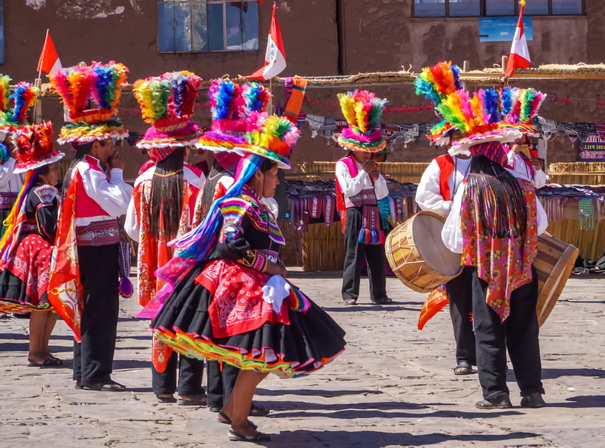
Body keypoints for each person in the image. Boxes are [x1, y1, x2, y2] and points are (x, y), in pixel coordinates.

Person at [151, 112, 346, 442]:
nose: (277, 181)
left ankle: (231, 410)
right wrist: (268, 268)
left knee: (265, 355)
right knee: (259, 356)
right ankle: (238, 421)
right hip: (239, 289)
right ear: (257, 175)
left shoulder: (257, 205)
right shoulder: (239, 202)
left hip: (260, 288)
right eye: (274, 174)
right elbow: (229, 244)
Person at [48, 62, 133, 391]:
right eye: (108, 142)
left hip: (91, 248)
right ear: (95, 145)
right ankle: (95, 374)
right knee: (100, 311)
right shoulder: (91, 170)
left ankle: (85, 372)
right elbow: (119, 204)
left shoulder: (83, 169)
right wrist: (118, 174)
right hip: (95, 251)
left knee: (90, 310)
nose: (113, 147)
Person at [125, 71, 206, 405]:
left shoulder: (142, 183)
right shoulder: (196, 182)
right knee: (189, 321)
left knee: (161, 322)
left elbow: (132, 229)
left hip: (154, 267)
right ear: (183, 149)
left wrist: (152, 241)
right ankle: (189, 388)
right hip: (187, 267)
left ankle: (162, 386)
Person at [195, 79, 273, 417]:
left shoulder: (212, 180)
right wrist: (263, 265)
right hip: (230, 270)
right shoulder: (232, 187)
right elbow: (231, 235)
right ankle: (229, 402)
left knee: (222, 337)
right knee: (233, 338)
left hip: (216, 267)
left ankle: (222, 399)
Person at [0, 121, 65, 366]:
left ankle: (42, 349)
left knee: (52, 304)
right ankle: (36, 351)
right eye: (54, 169)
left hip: (40, 249)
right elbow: (49, 226)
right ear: (45, 172)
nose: (56, 173)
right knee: (42, 304)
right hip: (42, 251)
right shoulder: (44, 193)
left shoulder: (40, 191)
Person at [415, 126, 476, 376]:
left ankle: (489, 354)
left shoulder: (486, 162)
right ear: (449, 140)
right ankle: (464, 356)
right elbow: (424, 198)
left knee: (488, 299)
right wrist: (454, 205)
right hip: (452, 241)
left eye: (465, 136)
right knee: (459, 299)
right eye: (457, 136)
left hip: (484, 242)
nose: (461, 141)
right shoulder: (440, 164)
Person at [335, 90, 391, 306]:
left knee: (376, 255)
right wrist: (362, 174)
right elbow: (348, 190)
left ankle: (379, 294)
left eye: (370, 150)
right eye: (364, 150)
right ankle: (349, 294)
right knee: (353, 254)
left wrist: (376, 178)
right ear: (354, 148)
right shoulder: (343, 165)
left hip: (373, 212)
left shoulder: (373, 167)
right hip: (355, 212)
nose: (368, 154)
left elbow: (382, 194)